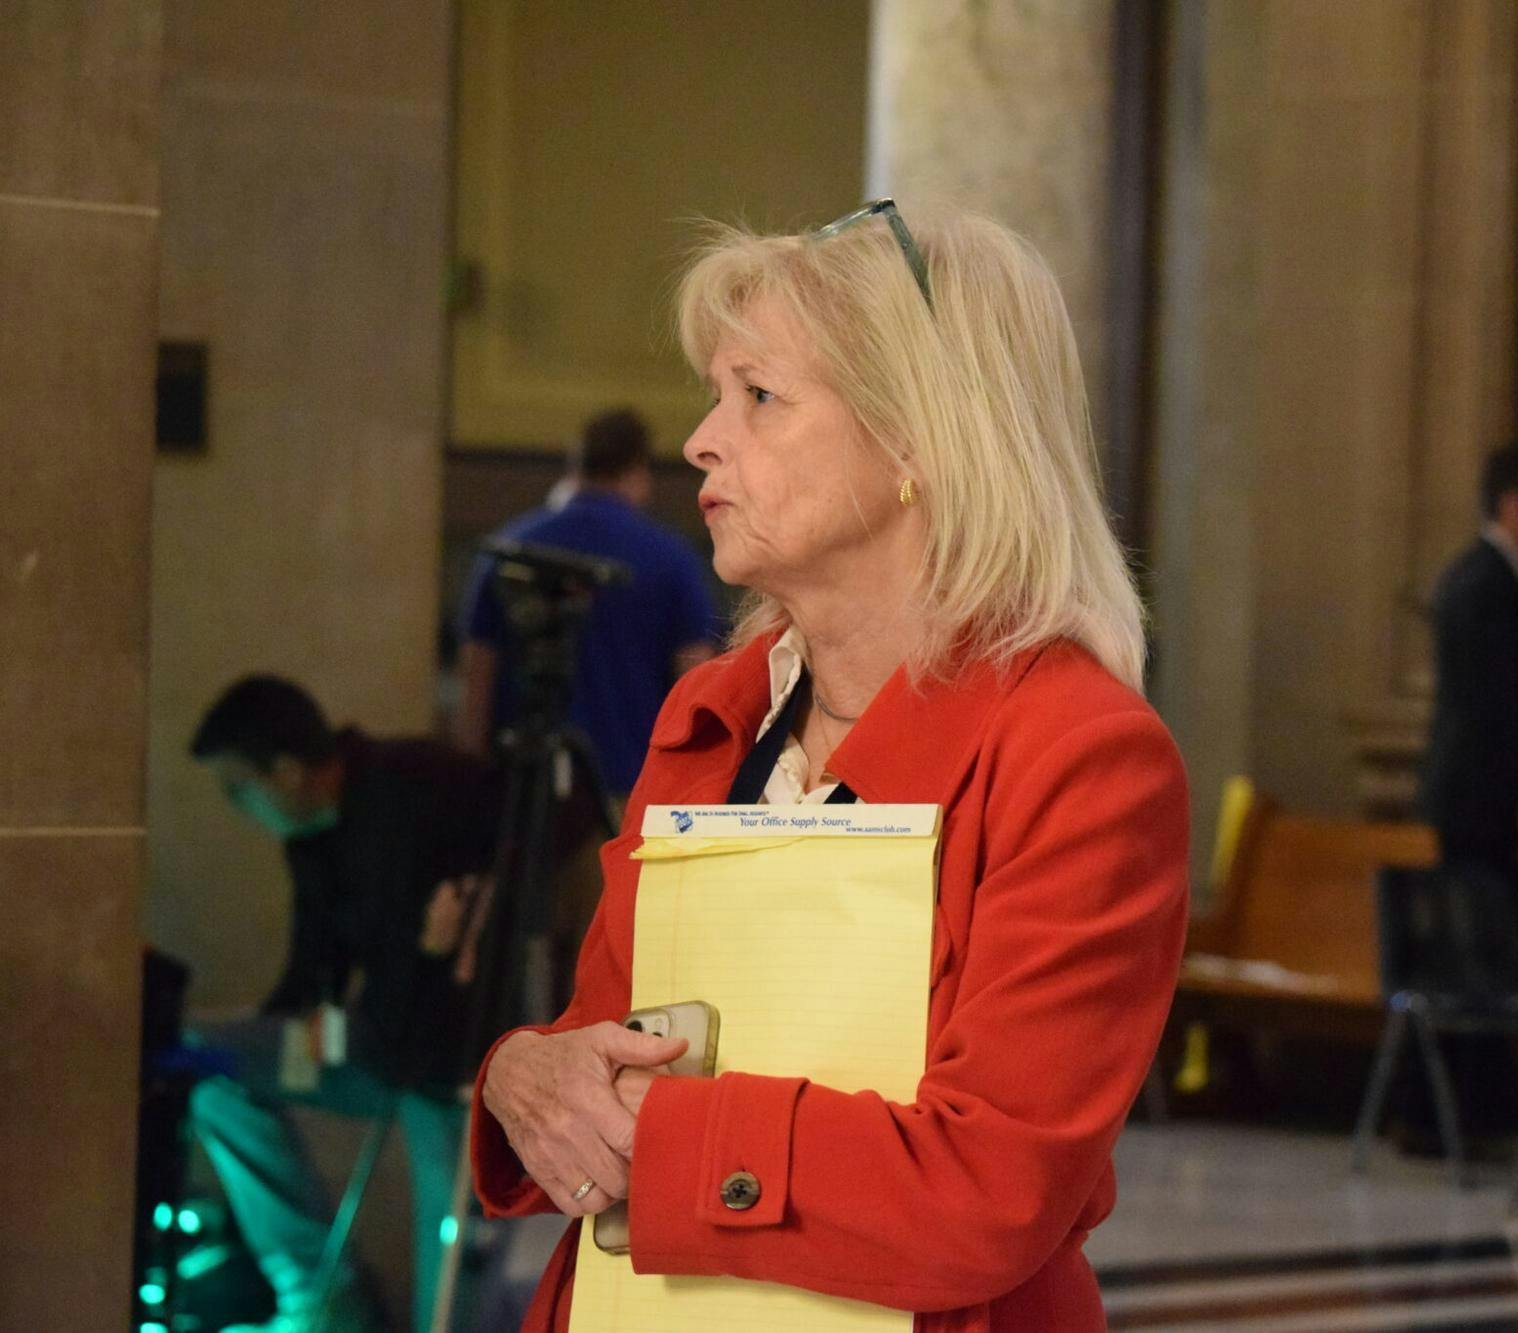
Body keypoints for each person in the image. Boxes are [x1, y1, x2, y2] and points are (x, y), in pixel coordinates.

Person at [467, 202, 1189, 1331]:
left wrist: (650, 1138)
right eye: (715, 395)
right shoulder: (710, 711)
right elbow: (602, 1039)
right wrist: (519, 1072)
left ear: (917, 440)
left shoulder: (1080, 754)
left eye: (758, 396)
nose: (702, 439)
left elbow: (987, 1190)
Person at [186, 676, 505, 1333]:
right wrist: (291, 1031)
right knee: (207, 1064)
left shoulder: (414, 784)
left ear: (288, 772)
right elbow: (312, 970)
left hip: (445, 1058)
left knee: (445, 1261)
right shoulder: (310, 835)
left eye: (239, 787)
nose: (237, 806)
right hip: (364, 1036)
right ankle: (321, 1299)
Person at [454, 407, 720, 796]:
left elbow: (477, 671)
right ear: (638, 470)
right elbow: (695, 677)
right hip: (632, 788)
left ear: (576, 465)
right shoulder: (672, 560)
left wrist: (470, 775)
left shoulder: (511, 550)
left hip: (520, 790)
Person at [1419, 445, 1518, 889]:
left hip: (1483, 804)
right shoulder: (1488, 585)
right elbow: (1492, 704)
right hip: (1487, 810)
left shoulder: (1479, 576)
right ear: (1511, 503)